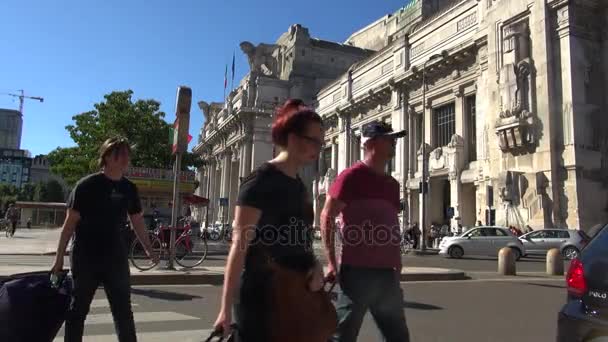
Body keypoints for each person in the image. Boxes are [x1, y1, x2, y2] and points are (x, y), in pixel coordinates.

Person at [213, 99, 334, 341]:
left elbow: (300, 241)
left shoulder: (300, 187)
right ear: (292, 137)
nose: (318, 149)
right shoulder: (260, 182)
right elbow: (239, 247)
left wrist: (315, 265)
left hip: (297, 292)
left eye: (321, 143)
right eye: (313, 141)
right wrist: (225, 310)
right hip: (263, 296)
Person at [51, 137, 157, 342]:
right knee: (78, 311)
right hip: (85, 258)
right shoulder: (86, 186)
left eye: (128, 154)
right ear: (107, 156)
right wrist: (58, 260)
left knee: (123, 313)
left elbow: (137, 222)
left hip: (116, 259)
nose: (126, 158)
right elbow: (69, 225)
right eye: (121, 154)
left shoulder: (129, 188)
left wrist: (149, 249)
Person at [321, 121, 410, 342]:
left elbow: (392, 226)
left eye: (394, 139)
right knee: (344, 334)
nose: (394, 143)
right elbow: (327, 216)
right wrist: (331, 261)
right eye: (389, 139)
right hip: (357, 272)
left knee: (397, 337)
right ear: (370, 143)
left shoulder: (392, 184)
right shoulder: (351, 177)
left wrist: (397, 263)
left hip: (387, 275)